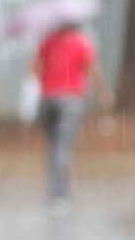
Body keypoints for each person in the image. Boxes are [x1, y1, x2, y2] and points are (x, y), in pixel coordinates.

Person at [31, 22, 112, 201]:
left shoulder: (47, 42)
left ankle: (56, 187)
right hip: (72, 99)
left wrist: (48, 78)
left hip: (48, 98)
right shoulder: (82, 43)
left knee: (54, 144)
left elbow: (34, 69)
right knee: (62, 145)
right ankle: (59, 192)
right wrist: (103, 93)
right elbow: (93, 70)